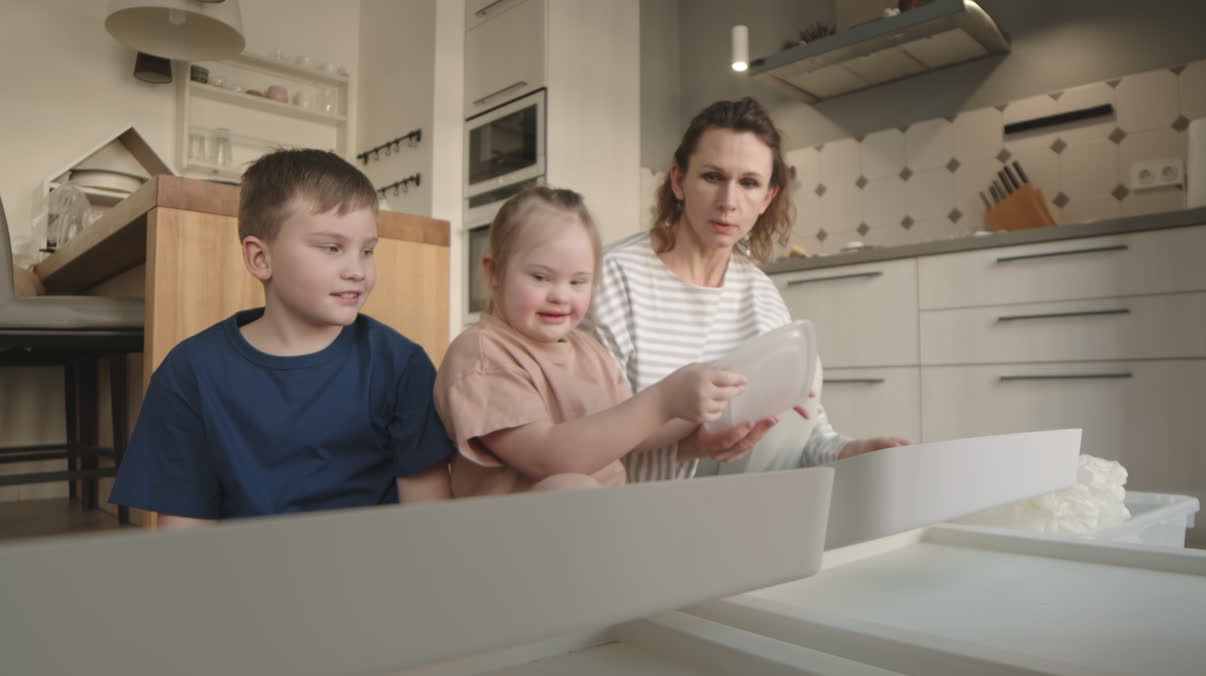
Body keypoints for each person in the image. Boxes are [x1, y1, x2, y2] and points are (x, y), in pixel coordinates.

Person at [110, 149, 454, 526]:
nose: (357, 270)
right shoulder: (189, 374)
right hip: (245, 578)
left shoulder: (401, 365)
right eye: (332, 248)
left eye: (368, 251)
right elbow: (183, 536)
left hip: (371, 576)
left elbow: (428, 523)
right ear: (260, 258)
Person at [590, 97, 910, 482]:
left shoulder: (761, 295)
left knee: (807, 374)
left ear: (767, 198)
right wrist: (689, 446)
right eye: (712, 177)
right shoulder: (614, 277)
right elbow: (582, 437)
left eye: (748, 183)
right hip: (631, 508)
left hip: (733, 508)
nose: (728, 202)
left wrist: (851, 451)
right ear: (678, 181)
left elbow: (798, 432)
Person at [433, 186, 746, 496]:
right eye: (541, 278)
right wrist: (663, 401)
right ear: (495, 273)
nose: (560, 296)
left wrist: (714, 402)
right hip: (505, 541)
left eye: (578, 281)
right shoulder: (483, 354)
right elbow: (546, 458)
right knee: (568, 485)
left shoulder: (589, 350)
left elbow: (637, 433)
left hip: (596, 525)